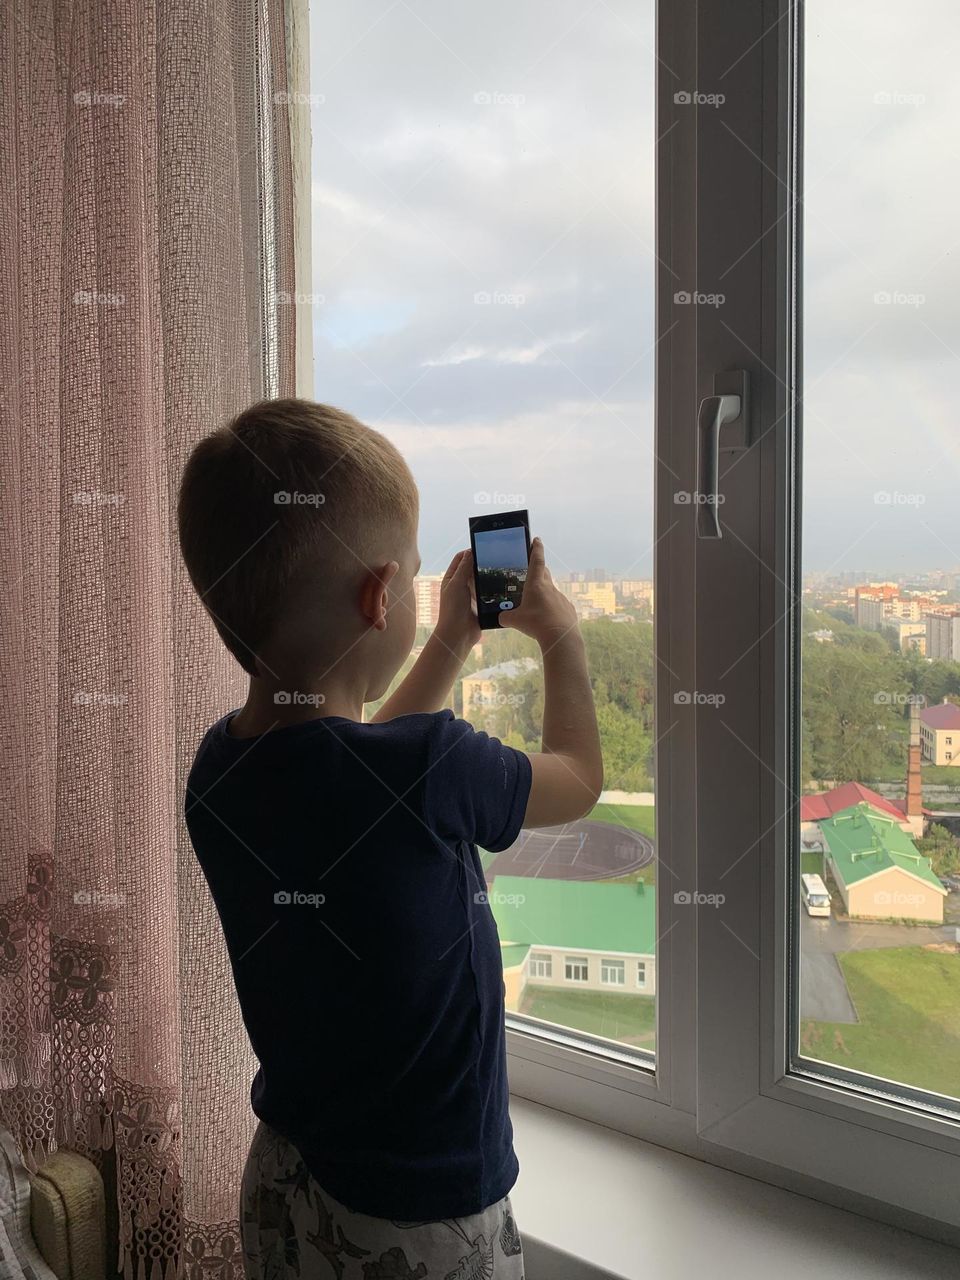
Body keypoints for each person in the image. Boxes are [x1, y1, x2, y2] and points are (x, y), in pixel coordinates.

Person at [177, 398, 603, 1279]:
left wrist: (448, 634)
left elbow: (367, 776)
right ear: (379, 598)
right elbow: (578, 777)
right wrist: (560, 636)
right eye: (409, 577)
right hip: (419, 1219)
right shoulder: (430, 768)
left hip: (286, 1177)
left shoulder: (217, 775)